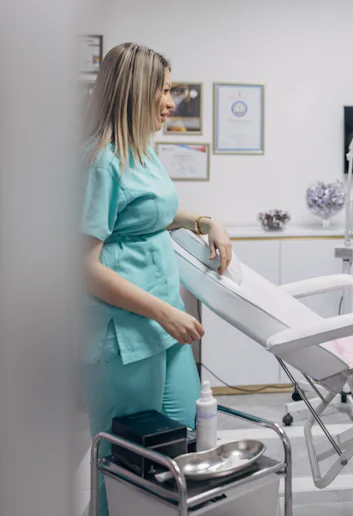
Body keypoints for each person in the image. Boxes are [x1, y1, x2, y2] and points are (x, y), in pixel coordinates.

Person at [79, 43, 233, 516]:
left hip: (166, 328)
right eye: (164, 90)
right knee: (124, 465)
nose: (172, 101)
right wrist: (164, 311)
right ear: (136, 91)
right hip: (127, 336)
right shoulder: (100, 162)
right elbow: (84, 267)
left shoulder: (141, 151)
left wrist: (205, 221)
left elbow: (154, 213)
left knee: (179, 451)